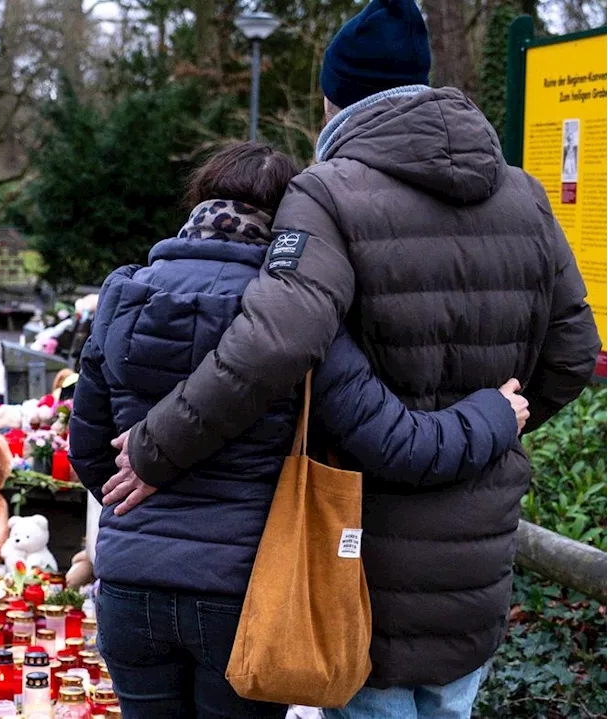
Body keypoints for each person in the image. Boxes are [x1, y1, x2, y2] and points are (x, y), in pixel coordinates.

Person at [104, 1, 601, 717]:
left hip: (360, 557)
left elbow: (276, 339)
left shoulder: (328, 193)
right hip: (477, 560)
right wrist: (495, 422)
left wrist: (156, 448)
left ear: (336, 96)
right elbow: (574, 350)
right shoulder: (524, 194)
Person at [69, 142, 531, 719]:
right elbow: (396, 443)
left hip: (129, 585)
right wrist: (493, 414)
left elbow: (89, 451)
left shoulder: (122, 294)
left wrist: (144, 510)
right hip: (245, 595)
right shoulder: (299, 317)